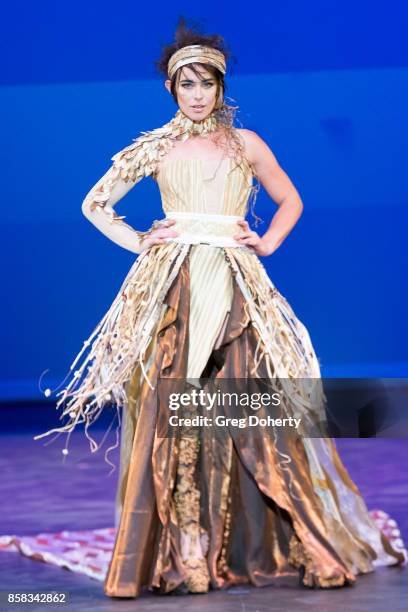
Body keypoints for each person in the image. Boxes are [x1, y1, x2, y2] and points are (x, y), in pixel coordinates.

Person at [34, 19, 406, 598]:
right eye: (187, 85)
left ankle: (293, 537)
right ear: (172, 89)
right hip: (175, 286)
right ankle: (189, 553)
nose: (198, 95)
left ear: (221, 86)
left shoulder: (246, 144)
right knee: (173, 417)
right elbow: (95, 203)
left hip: (234, 286)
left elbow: (290, 200)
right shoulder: (156, 146)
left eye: (207, 84)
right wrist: (142, 242)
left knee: (253, 415)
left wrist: (270, 241)